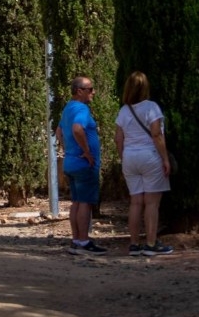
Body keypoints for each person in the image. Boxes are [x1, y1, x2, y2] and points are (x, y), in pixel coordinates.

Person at [116, 71, 174, 256]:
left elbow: (118, 138)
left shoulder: (124, 110)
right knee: (151, 203)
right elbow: (156, 134)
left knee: (135, 203)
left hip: (130, 157)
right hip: (149, 156)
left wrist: (123, 158)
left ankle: (134, 244)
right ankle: (150, 243)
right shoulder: (151, 107)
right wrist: (165, 158)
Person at [57, 75, 105, 254]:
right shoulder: (81, 109)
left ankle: (76, 240)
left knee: (76, 201)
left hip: (70, 162)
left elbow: (59, 130)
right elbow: (77, 129)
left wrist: (68, 148)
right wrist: (85, 151)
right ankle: (84, 242)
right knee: (85, 202)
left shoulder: (67, 108)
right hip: (84, 163)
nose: (93, 92)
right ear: (79, 91)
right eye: (90, 89)